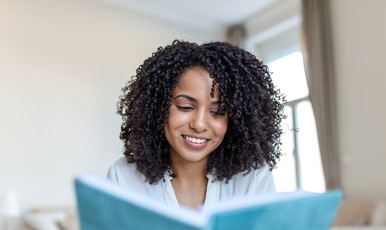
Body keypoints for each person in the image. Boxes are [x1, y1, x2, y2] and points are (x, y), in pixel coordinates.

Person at [107, 40, 285, 210]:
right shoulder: (123, 177)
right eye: (186, 107)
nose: (199, 125)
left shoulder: (253, 177)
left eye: (217, 112)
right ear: (157, 108)